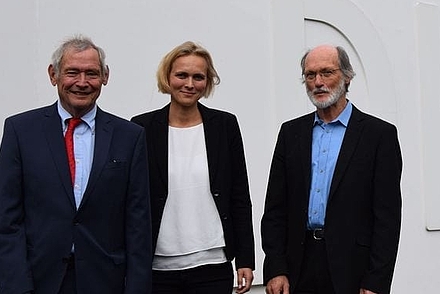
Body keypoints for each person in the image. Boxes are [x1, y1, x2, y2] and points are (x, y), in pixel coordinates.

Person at [0, 35, 152, 294]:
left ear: (105, 76)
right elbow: (7, 218)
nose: (82, 83)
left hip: (105, 281)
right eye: (72, 72)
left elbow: (138, 222)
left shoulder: (130, 136)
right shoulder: (20, 131)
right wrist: (15, 286)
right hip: (37, 281)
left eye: (91, 73)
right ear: (53, 75)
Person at [261, 44, 402, 294]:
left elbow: (387, 219)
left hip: (352, 269)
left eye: (327, 72)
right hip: (298, 266)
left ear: (347, 77)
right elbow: (275, 209)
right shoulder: (290, 133)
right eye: (310, 74)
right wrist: (275, 268)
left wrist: (376, 281)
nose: (318, 82)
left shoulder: (379, 136)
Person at [131, 41, 255, 294]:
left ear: (207, 82)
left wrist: (246, 259)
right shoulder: (141, 128)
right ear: (167, 77)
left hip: (212, 266)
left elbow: (239, 196)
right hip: (157, 269)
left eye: (198, 77)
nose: (189, 84)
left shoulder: (224, 125)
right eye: (181, 75)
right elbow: (133, 201)